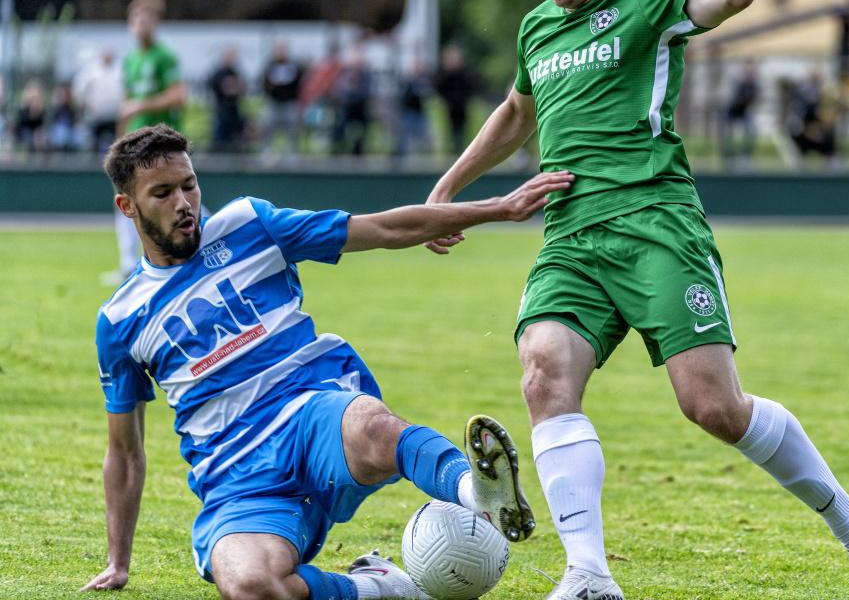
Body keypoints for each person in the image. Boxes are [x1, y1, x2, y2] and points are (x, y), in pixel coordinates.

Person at [423, 0, 849, 600]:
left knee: (714, 407)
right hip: (570, 238)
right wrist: (449, 188)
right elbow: (518, 113)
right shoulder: (537, 29)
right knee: (544, 372)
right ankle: (589, 575)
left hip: (656, 226)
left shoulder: (652, 5)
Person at [83, 123, 574, 600]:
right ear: (127, 206)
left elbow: (381, 228)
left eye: (189, 185)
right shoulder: (120, 319)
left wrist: (498, 208)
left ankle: (474, 491)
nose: (183, 203)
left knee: (373, 427)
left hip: (310, 412)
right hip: (237, 478)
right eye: (162, 193)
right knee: (250, 585)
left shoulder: (249, 225)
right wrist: (118, 562)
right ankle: (381, 587)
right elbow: (124, 452)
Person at [105, 0, 186, 285]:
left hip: (160, 143)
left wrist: (141, 105)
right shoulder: (130, 59)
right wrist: (119, 142)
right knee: (127, 197)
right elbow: (126, 104)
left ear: (157, 23)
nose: (141, 24)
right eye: (136, 19)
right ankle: (129, 265)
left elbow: (178, 95)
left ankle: (212, 236)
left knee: (175, 197)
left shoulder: (164, 56)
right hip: (134, 144)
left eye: (147, 19)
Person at [72, 48, 123, 154]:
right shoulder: (91, 70)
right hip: (96, 118)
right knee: (94, 147)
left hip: (115, 118)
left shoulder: (120, 70)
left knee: (115, 147)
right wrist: (85, 103)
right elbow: (79, 90)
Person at [261, 39, 306, 159]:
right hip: (274, 103)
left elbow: (299, 85)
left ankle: (291, 154)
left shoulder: (294, 66)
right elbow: (264, 84)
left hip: (290, 103)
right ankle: (267, 153)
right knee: (267, 127)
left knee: (293, 130)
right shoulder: (269, 66)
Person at [331, 46, 371, 157]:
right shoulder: (344, 74)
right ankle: (337, 149)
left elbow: (367, 91)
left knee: (364, 125)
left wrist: (358, 97)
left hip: (360, 106)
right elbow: (338, 89)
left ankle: (358, 151)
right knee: (340, 124)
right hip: (347, 105)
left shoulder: (365, 75)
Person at [434, 43, 473, 154]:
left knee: (461, 131)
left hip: (461, 106)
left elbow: (470, 88)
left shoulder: (463, 74)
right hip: (448, 107)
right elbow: (440, 88)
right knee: (448, 131)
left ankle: (460, 150)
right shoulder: (444, 75)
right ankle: (450, 151)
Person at [208, 46, 247, 153]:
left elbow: (241, 90)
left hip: (234, 111)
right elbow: (215, 87)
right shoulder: (218, 73)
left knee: (236, 137)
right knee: (220, 137)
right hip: (221, 110)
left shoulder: (236, 73)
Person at [395, 59, 435, 160]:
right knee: (403, 137)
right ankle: (400, 158)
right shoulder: (408, 81)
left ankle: (426, 158)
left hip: (419, 112)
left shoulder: (424, 82)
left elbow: (427, 96)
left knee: (424, 137)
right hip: (408, 112)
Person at [721, 61, 759, 163]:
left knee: (751, 130)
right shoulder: (737, 83)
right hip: (731, 110)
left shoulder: (753, 85)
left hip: (743, 111)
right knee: (727, 133)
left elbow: (753, 100)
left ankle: (746, 155)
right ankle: (727, 155)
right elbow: (731, 100)